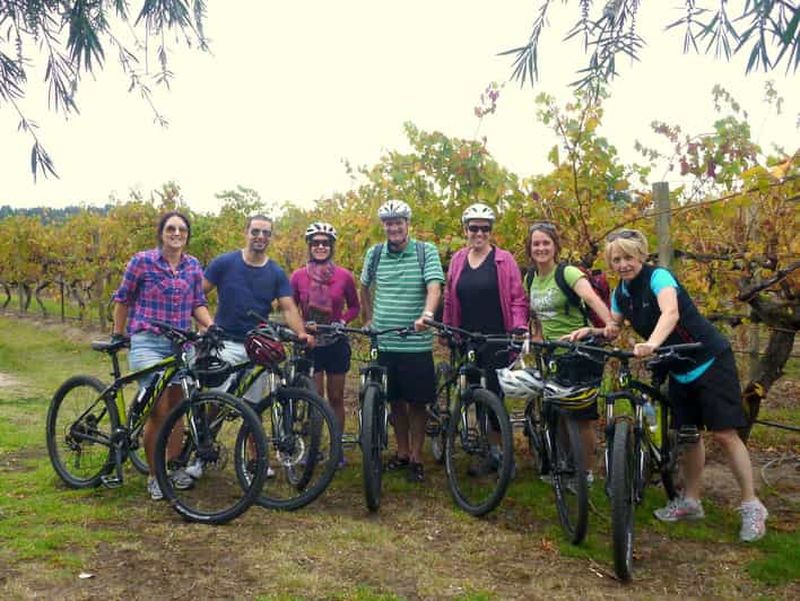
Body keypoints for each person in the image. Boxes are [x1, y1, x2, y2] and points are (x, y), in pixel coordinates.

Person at [600, 228, 767, 542]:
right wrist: (597, 331)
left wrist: (652, 344)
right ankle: (691, 501)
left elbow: (670, 312)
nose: (623, 264)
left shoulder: (658, 278)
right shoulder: (620, 293)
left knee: (724, 433)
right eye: (617, 259)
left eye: (628, 257)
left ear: (641, 255)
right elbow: (614, 324)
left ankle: (752, 505)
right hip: (678, 367)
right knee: (689, 436)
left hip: (708, 359)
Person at [111, 210, 214, 500]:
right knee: (160, 408)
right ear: (161, 233)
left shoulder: (193, 265)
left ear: (187, 235)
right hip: (148, 342)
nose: (176, 233)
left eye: (182, 229)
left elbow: (197, 303)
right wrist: (118, 334)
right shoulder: (142, 261)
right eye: (171, 228)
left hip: (181, 345)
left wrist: (211, 326)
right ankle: (155, 475)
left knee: (179, 408)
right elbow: (123, 298)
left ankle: (173, 466)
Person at [202, 215, 315, 476]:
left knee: (253, 407)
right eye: (255, 231)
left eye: (266, 233)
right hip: (225, 343)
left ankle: (255, 461)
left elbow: (288, 307)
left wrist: (300, 333)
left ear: (270, 237)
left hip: (257, 345)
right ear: (246, 232)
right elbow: (198, 294)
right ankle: (203, 452)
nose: (260, 237)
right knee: (217, 401)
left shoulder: (275, 272)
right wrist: (205, 324)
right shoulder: (224, 263)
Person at [359, 199, 444, 483]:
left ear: (408, 224)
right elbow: (364, 286)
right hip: (385, 340)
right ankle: (403, 452)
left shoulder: (425, 251)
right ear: (383, 226)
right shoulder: (374, 254)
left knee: (417, 402)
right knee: (394, 400)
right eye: (388, 223)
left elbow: (434, 287)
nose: (393, 227)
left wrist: (427, 314)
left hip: (415, 341)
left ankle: (417, 457)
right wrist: (368, 319)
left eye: (398, 222)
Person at [442, 203, 528, 474]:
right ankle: (489, 451)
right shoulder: (458, 259)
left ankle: (504, 454)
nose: (479, 233)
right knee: (474, 394)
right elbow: (449, 298)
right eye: (474, 228)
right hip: (467, 338)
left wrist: (518, 327)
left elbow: (517, 298)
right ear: (465, 229)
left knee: (494, 397)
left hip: (496, 338)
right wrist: (448, 329)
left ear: (491, 231)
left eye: (485, 228)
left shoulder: (504, 260)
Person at [526, 221, 615, 484]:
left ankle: (585, 473)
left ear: (555, 246)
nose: (541, 248)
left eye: (546, 243)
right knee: (558, 411)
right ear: (529, 248)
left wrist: (610, 324)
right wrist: (536, 336)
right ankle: (565, 467)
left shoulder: (568, 273)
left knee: (580, 416)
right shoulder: (530, 278)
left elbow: (592, 299)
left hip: (579, 351)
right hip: (552, 353)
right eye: (536, 244)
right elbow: (536, 314)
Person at [290, 222, 360, 459]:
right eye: (316, 243)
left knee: (336, 397)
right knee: (315, 398)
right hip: (310, 344)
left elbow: (355, 307)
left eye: (325, 243)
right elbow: (289, 307)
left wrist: (343, 320)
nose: (320, 247)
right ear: (309, 246)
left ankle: (336, 447)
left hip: (335, 343)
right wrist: (302, 325)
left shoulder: (344, 276)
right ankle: (314, 448)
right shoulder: (298, 276)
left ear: (332, 246)